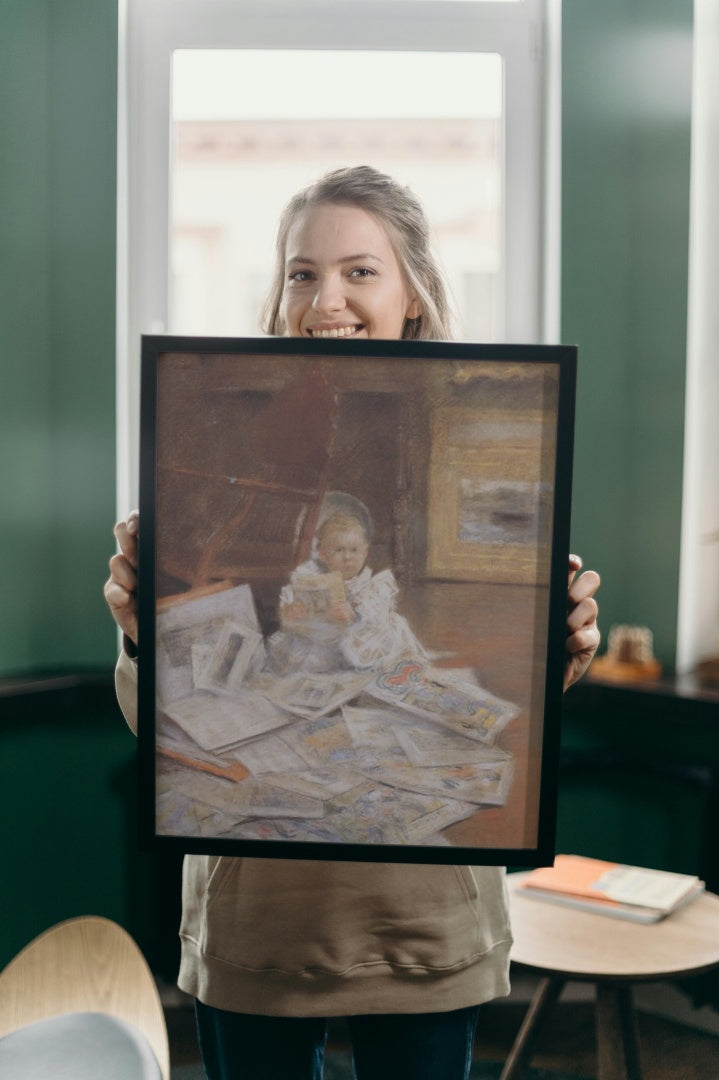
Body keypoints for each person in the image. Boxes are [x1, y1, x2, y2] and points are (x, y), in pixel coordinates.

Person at [105, 166, 601, 1080]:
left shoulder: (512, 428)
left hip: (422, 922)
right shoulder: (201, 447)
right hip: (257, 921)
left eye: (359, 271)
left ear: (412, 292)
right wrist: (145, 636)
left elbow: (502, 714)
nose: (324, 297)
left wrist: (556, 653)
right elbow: (166, 730)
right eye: (301, 272)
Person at [268, 494, 427, 675]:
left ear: (365, 551)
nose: (347, 557)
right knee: (308, 659)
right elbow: (291, 597)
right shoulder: (312, 577)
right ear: (322, 553)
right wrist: (291, 610)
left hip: (361, 637)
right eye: (339, 550)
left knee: (388, 639)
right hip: (324, 639)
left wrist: (355, 613)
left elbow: (376, 613)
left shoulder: (372, 584)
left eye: (354, 550)